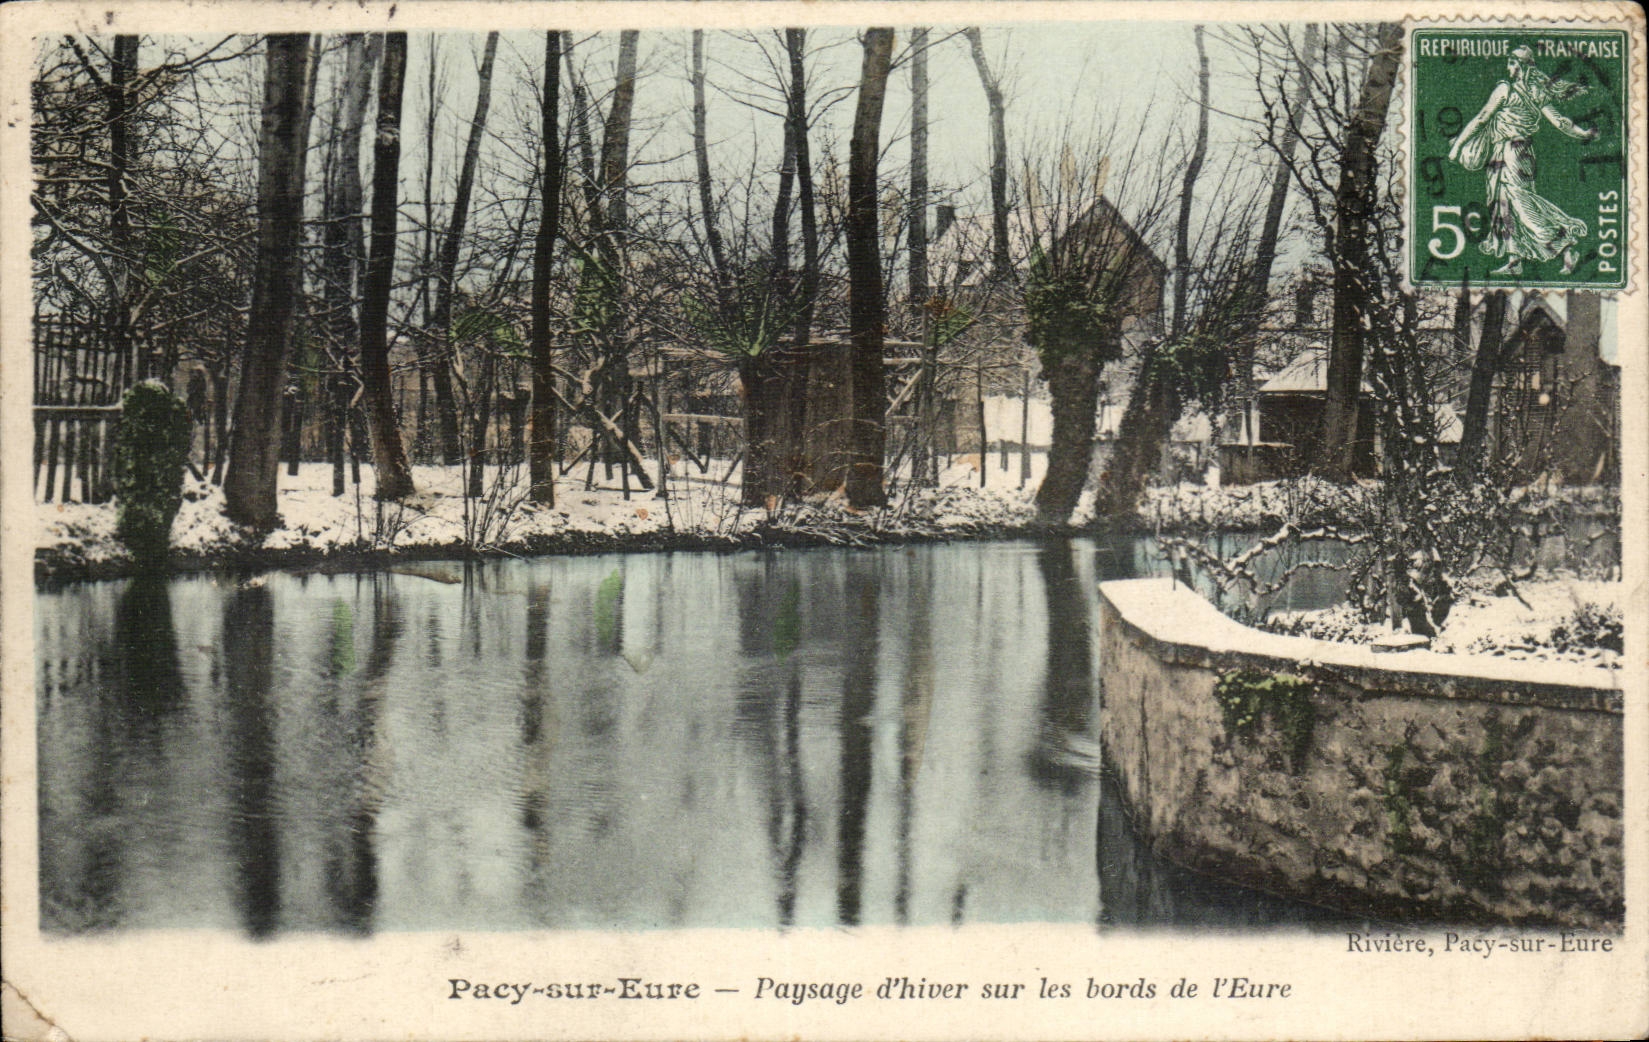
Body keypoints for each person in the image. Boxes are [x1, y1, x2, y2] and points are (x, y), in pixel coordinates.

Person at [1448, 45, 1600, 276]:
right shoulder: (1537, 93)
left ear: (1522, 66)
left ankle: (1565, 245)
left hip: (1511, 152)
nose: (1508, 68)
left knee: (1520, 202)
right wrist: (1583, 134)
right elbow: (1561, 122)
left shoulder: (1505, 89)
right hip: (1516, 153)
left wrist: (1458, 146)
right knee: (1503, 204)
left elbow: (1481, 119)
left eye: (1512, 63)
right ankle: (1514, 260)